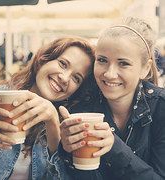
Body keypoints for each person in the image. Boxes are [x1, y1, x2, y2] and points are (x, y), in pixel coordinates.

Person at [59, 17, 165, 180]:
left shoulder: (161, 107)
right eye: (102, 60)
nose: (109, 73)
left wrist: (115, 148)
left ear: (145, 68)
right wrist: (67, 151)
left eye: (123, 63)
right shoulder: (81, 107)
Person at [0, 36, 95, 180]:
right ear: (43, 59)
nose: (65, 78)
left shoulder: (69, 128)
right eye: (63, 64)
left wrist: (53, 123)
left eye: (76, 78)